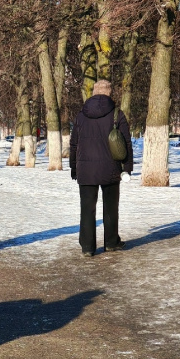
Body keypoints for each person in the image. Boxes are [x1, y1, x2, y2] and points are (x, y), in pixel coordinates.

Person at [69, 79, 133, 257]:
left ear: (94, 93)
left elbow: (73, 144)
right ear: (109, 93)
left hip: (86, 170)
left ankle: (88, 247)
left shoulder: (81, 115)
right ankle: (111, 242)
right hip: (110, 169)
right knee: (111, 207)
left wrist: (74, 167)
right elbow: (126, 143)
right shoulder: (116, 114)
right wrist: (126, 168)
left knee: (87, 209)